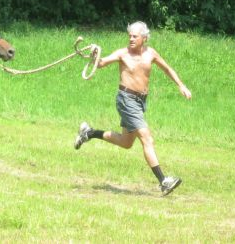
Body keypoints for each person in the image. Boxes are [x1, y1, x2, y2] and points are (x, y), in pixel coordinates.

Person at [73, 21, 192, 195]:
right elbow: (101, 63)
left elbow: (167, 69)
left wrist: (181, 85)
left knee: (126, 142)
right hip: (126, 99)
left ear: (144, 38)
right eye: (129, 35)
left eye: (135, 36)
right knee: (147, 138)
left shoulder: (151, 53)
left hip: (140, 101)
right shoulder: (123, 53)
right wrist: (94, 55)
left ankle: (89, 133)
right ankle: (163, 181)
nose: (131, 39)